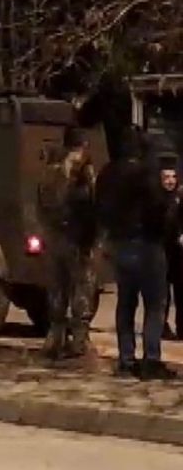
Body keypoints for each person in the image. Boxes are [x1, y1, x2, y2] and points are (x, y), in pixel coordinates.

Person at [96, 127, 177, 380]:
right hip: (148, 244)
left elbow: (99, 206)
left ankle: (126, 359)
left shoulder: (108, 173)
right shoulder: (145, 174)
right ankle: (151, 360)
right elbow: (157, 208)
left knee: (126, 304)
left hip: (120, 244)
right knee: (154, 305)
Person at [37, 127, 98, 359]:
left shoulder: (49, 172)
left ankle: (55, 338)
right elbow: (93, 203)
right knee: (82, 288)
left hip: (54, 239)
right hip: (78, 240)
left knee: (57, 289)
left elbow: (40, 206)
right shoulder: (84, 171)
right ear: (83, 145)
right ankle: (79, 341)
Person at [159, 163, 183, 340]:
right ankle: (161, 326)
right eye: (166, 177)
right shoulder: (156, 200)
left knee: (181, 291)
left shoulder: (179, 198)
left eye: (173, 177)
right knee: (162, 293)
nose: (170, 181)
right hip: (161, 252)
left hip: (178, 253)